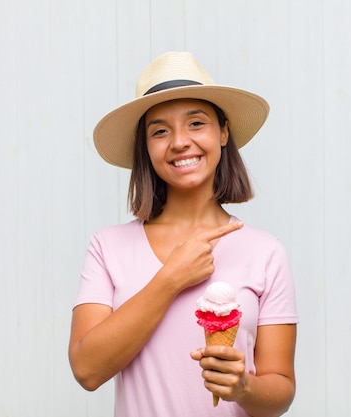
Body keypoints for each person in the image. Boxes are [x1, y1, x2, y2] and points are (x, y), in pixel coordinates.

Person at [69, 51, 298, 417]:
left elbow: (281, 390)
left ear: (223, 132)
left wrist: (244, 387)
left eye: (196, 123)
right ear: (146, 147)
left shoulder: (265, 252)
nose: (179, 142)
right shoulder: (107, 247)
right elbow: (86, 369)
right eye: (160, 130)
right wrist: (170, 278)